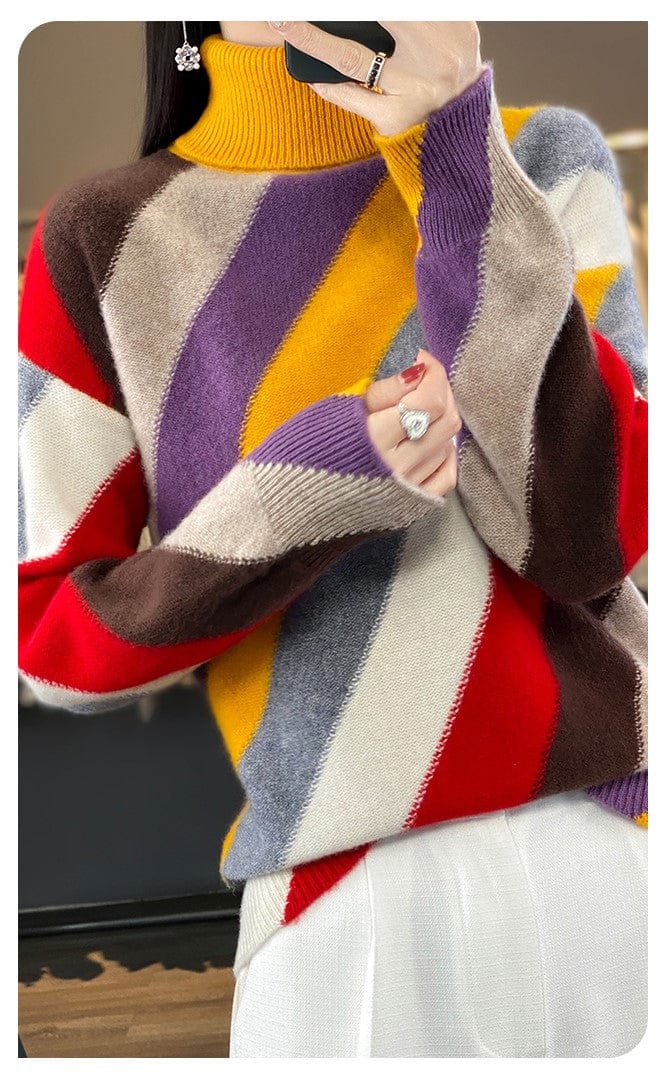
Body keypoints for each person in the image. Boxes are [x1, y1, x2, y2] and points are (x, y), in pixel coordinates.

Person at [18, 20, 647, 1057]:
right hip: (342, 900)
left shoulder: (539, 157)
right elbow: (55, 645)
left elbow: (592, 541)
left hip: (613, 837)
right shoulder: (102, 239)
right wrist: (308, 490)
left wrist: (456, 155)